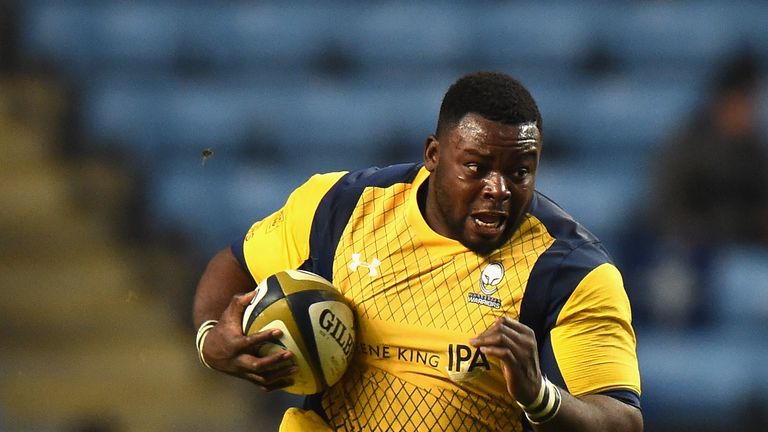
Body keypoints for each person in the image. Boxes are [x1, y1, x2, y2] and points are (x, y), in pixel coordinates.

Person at [192, 72, 642, 431]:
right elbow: (235, 264)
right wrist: (212, 339)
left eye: (520, 172)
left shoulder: (569, 271)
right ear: (433, 154)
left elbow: (621, 420)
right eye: (476, 167)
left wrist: (539, 396)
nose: (499, 189)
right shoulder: (342, 206)